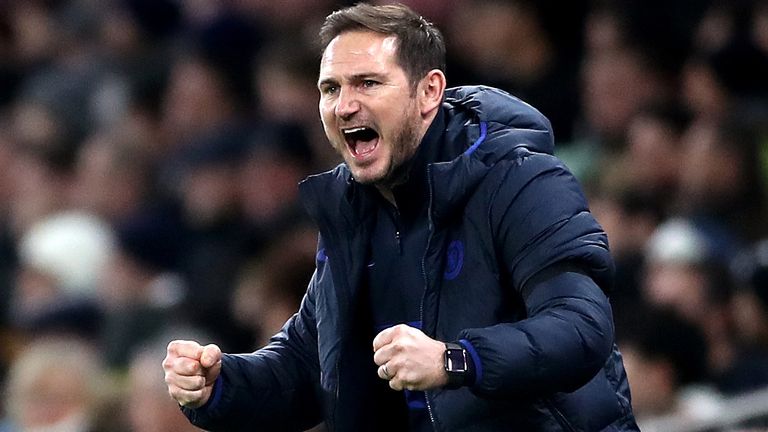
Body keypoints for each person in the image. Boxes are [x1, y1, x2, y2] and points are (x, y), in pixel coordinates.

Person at [162, 3, 638, 431]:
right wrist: (221, 383)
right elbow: (311, 366)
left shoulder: (522, 182)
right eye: (330, 88)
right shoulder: (354, 211)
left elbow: (581, 328)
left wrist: (455, 360)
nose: (344, 105)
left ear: (429, 91)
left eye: (367, 83)